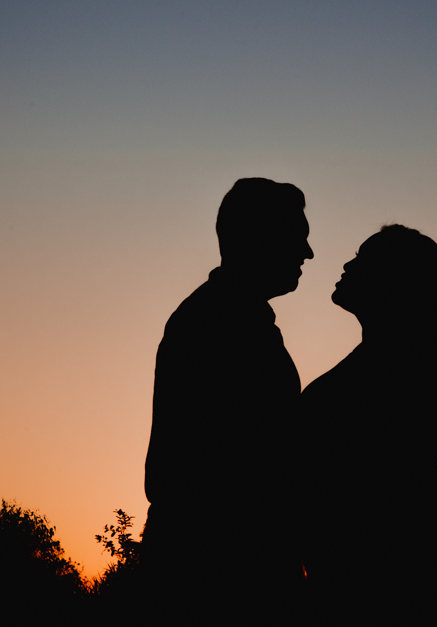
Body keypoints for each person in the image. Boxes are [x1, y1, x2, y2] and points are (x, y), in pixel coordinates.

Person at [142, 177, 312, 616]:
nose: (307, 254)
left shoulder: (227, 319)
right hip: (223, 581)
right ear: (262, 239)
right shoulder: (218, 325)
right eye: (299, 239)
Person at [299, 224, 437, 618]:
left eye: (363, 259)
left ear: (392, 281)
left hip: (399, 575)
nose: (347, 264)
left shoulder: (396, 367)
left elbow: (367, 487)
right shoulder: (390, 360)